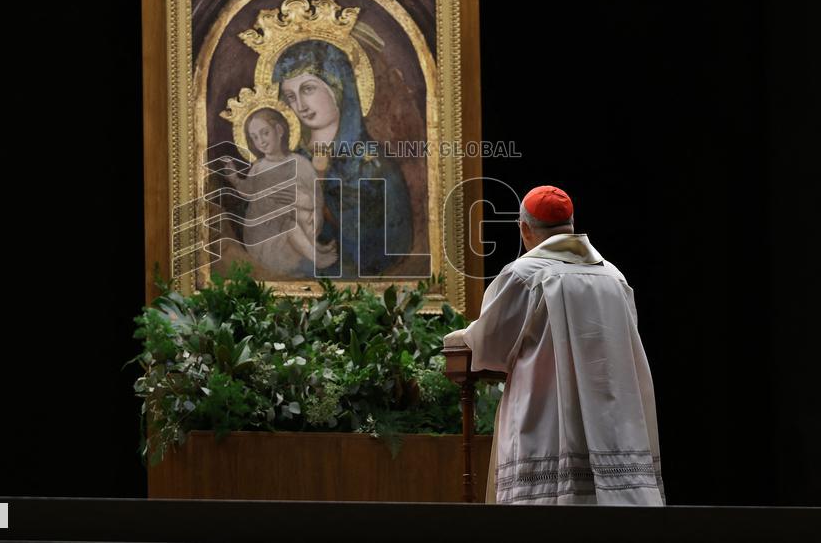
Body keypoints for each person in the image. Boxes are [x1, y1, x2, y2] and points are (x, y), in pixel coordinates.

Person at [444, 185, 664, 505]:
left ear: (524, 229)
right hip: (615, 424)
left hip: (547, 418)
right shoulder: (614, 278)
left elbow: (490, 347)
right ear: (572, 225)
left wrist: (467, 335)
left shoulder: (522, 275)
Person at [273, 40, 413, 278]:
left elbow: (394, 244)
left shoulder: (374, 165)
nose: (300, 105)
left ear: (337, 86)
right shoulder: (288, 162)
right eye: (290, 96)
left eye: (308, 89)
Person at [222, 107, 337, 275]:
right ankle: (316, 257)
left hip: (299, 228)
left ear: (279, 130)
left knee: (299, 209)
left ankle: (314, 247)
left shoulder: (300, 163)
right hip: (265, 235)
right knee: (286, 220)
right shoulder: (259, 167)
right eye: (254, 137)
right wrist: (234, 179)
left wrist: (304, 202)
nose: (261, 141)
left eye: (265, 133)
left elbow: (317, 199)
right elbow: (248, 192)